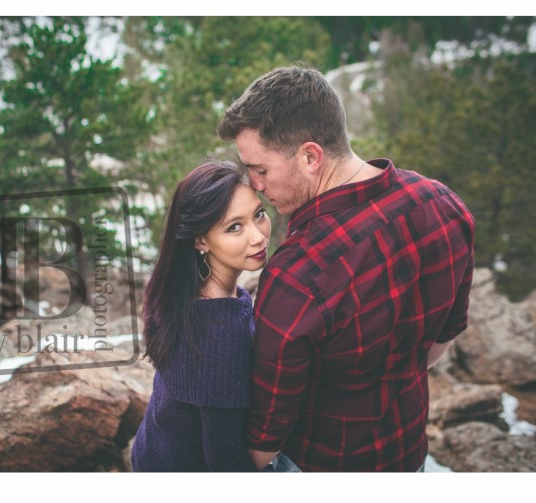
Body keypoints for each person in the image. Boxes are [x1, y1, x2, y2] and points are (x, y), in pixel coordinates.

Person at [216, 65, 476, 472]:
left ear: (310, 156)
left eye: (260, 169)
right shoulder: (443, 203)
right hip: (407, 455)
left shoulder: (297, 275)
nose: (255, 186)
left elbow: (265, 438)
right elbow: (442, 338)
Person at [131, 160, 271, 471]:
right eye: (235, 227)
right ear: (200, 241)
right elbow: (226, 462)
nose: (258, 236)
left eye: (258, 214)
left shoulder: (186, 296)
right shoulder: (219, 330)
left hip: (152, 450)